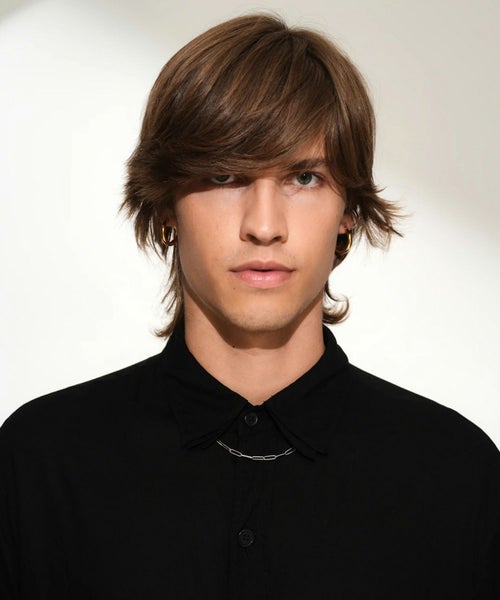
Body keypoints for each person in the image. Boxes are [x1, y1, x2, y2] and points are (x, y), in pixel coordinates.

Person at [1, 13, 499, 599]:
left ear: (347, 211)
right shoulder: (40, 463)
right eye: (225, 175)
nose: (264, 226)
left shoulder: (456, 475)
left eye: (304, 178)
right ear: (165, 206)